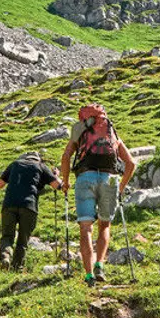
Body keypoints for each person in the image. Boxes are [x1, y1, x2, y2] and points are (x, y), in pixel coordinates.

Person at [60, 104, 137, 283]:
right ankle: (100, 265)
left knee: (86, 227)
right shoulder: (110, 130)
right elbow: (131, 163)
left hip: (85, 177)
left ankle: (88, 275)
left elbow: (66, 157)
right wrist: (121, 187)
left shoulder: (79, 129)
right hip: (110, 179)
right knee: (105, 225)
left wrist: (66, 182)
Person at [0, 151, 62, 271]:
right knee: (23, 239)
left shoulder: (15, 164)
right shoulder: (41, 166)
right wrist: (56, 175)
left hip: (9, 204)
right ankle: (17, 268)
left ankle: (5, 256)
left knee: (7, 236)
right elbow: (57, 185)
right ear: (37, 159)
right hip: (29, 206)